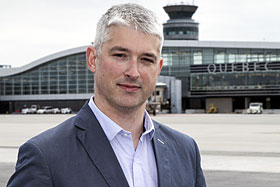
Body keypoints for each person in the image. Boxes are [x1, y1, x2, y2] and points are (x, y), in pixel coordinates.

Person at [7, 3, 206, 187]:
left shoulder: (186, 151)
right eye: (120, 55)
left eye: (146, 59)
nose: (133, 72)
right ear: (93, 59)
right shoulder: (45, 156)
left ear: (158, 68)